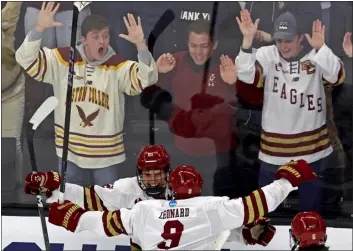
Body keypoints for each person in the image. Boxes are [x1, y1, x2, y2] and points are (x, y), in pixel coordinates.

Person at [15, 2, 158, 186]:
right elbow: (25, 60)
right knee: (72, 209)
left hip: (107, 158)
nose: (102, 42)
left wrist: (141, 46)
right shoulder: (63, 60)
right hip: (69, 155)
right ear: (83, 39)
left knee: (106, 208)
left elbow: (147, 79)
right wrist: (39, 29)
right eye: (95, 37)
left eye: (105, 36)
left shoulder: (118, 66)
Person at [48, 159, 317, 250]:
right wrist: (285, 182)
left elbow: (107, 223)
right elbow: (255, 204)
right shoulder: (211, 208)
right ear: (199, 187)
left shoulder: (145, 209)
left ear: (171, 189)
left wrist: (74, 217)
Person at [235, 10, 345, 213]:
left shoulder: (317, 57)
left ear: (301, 37)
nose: (283, 46)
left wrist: (321, 47)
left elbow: (337, 75)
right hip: (273, 154)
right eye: (279, 40)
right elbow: (245, 74)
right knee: (266, 214)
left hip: (313, 153)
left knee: (311, 214)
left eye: (289, 40)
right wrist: (247, 41)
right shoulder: (267, 55)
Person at [141, 19, 237, 195]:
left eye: (204, 46)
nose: (198, 52)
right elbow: (148, 92)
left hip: (216, 155)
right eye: (193, 45)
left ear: (214, 45)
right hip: (182, 150)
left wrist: (233, 83)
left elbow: (239, 106)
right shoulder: (176, 61)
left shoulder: (225, 66)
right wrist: (158, 73)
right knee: (183, 202)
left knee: (213, 202)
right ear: (187, 44)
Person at [2, 1, 25, 189]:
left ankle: (16, 191)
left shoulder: (4, 21)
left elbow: (15, 5)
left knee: (13, 144)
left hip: (12, 92)